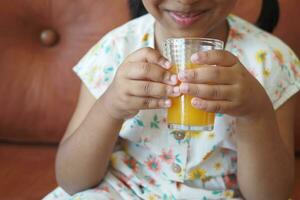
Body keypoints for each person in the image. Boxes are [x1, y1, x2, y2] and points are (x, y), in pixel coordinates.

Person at [44, 0, 299, 199]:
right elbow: (71, 179)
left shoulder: (270, 61)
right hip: (124, 191)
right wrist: (110, 107)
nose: (185, 1)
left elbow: (272, 195)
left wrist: (255, 114)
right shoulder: (116, 49)